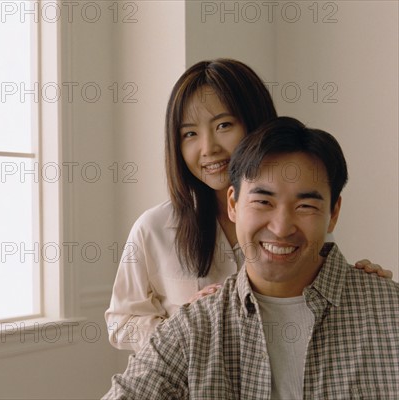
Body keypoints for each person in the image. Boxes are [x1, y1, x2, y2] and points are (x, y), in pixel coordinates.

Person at [105, 59, 392, 352]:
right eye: (189, 133)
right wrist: (184, 326)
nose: (209, 148)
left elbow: (320, 300)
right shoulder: (153, 228)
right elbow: (121, 322)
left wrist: (362, 285)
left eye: (224, 125)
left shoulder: (294, 222)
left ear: (257, 125)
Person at [102, 117, 399, 399]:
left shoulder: (389, 312)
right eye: (263, 201)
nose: (281, 228)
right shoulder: (194, 328)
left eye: (305, 206)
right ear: (233, 204)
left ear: (333, 214)